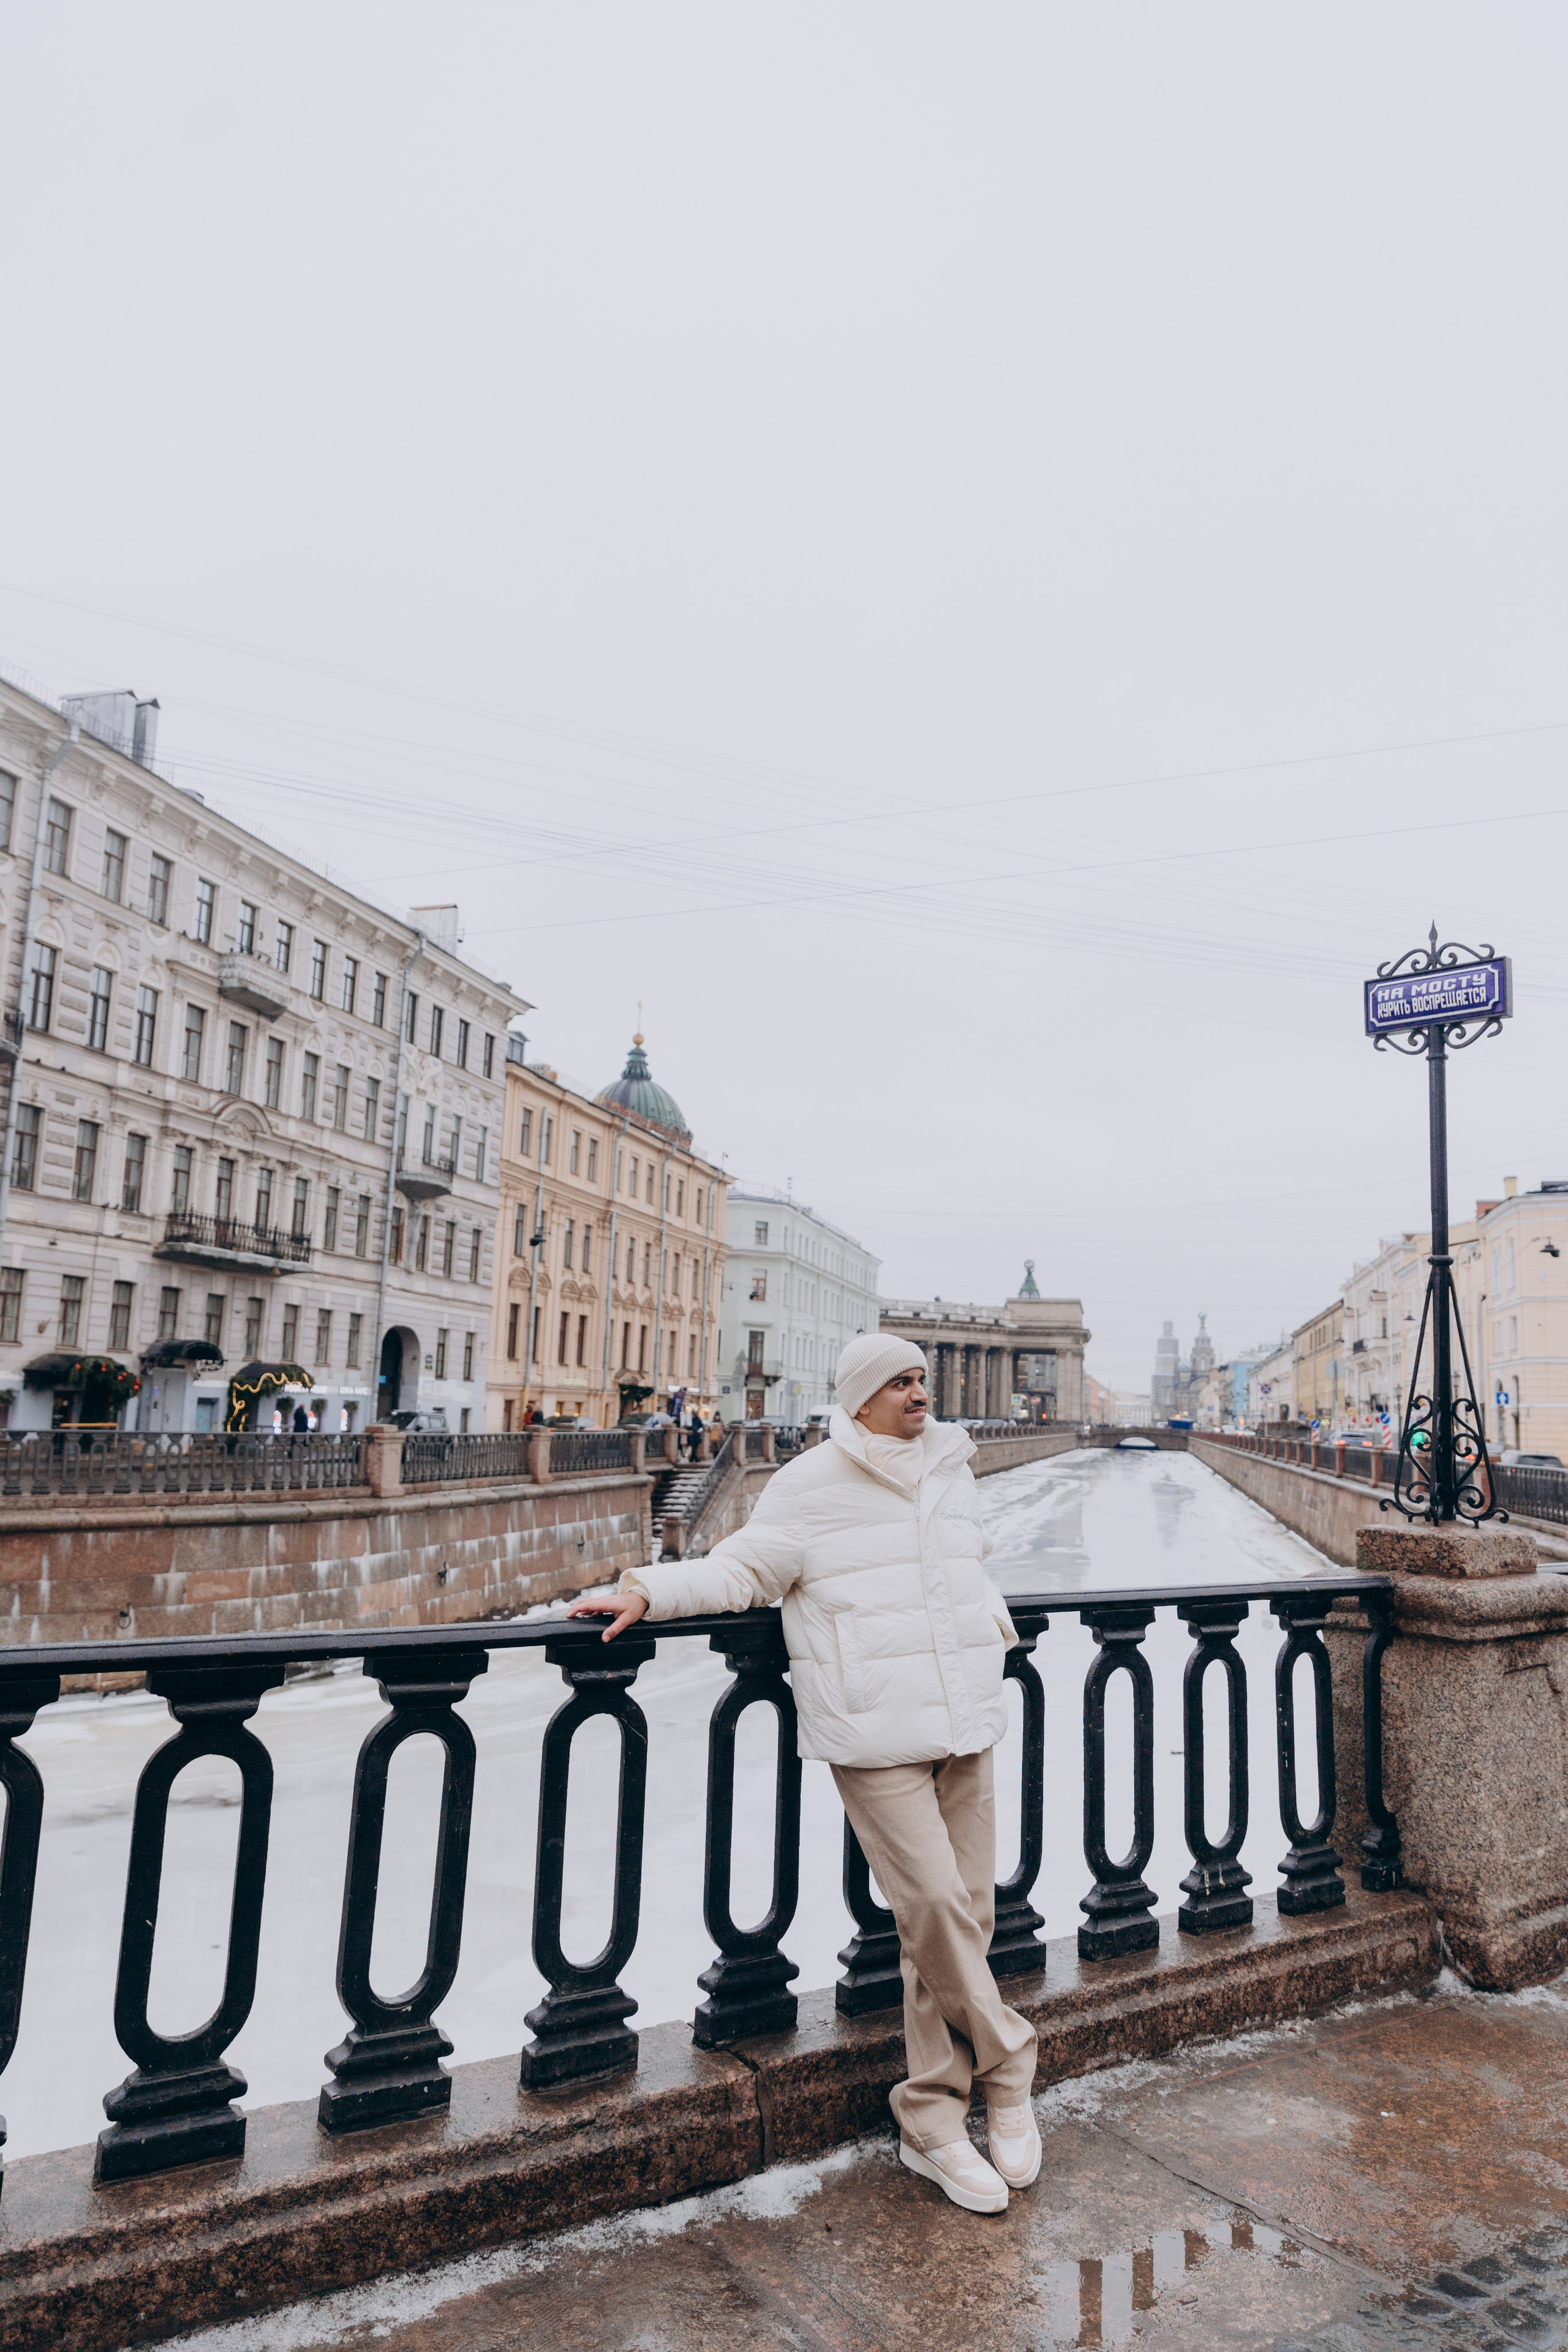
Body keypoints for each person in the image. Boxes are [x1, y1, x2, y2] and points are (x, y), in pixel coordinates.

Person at [568, 1332, 1039, 2216]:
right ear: (859, 1396)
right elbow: (747, 1568)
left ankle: (933, 2120)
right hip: (873, 1728)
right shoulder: (810, 1483)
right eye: (899, 1381)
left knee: (960, 1922)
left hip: (966, 1715)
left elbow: (960, 1576)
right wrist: (649, 1589)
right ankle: (1010, 2068)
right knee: (934, 1906)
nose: (917, 1393)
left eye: (921, 1380)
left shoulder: (952, 1465)